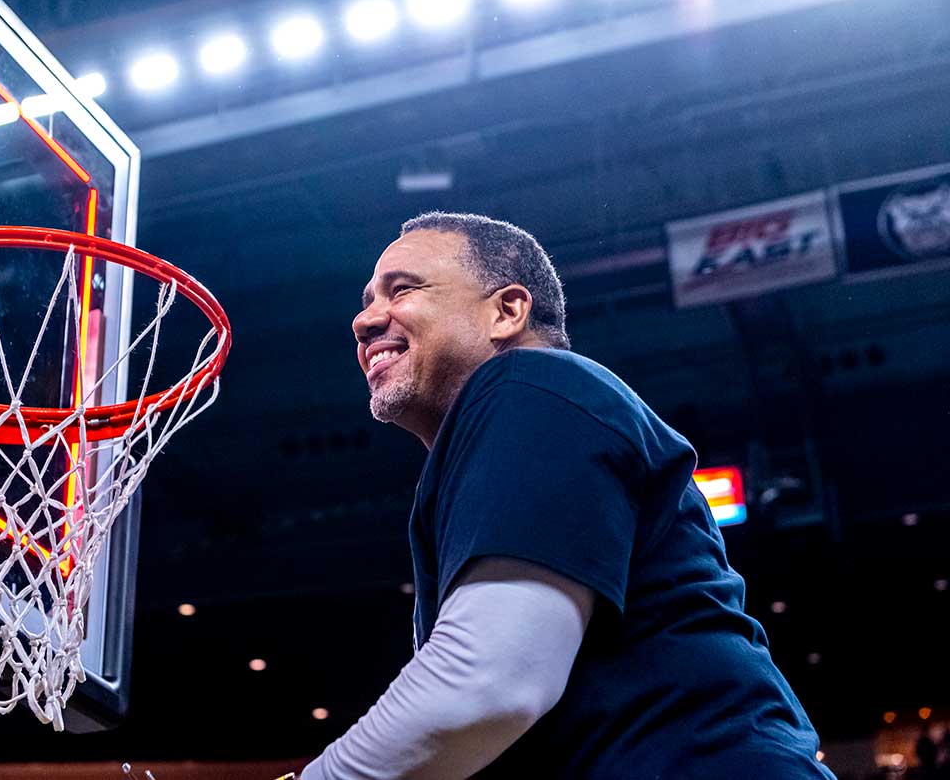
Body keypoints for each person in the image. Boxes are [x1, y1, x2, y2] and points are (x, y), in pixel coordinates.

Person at [297, 212, 835, 779]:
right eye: (366, 299)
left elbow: (489, 683)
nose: (364, 319)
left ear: (506, 311)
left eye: (401, 289)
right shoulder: (510, 428)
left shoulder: (530, 386)